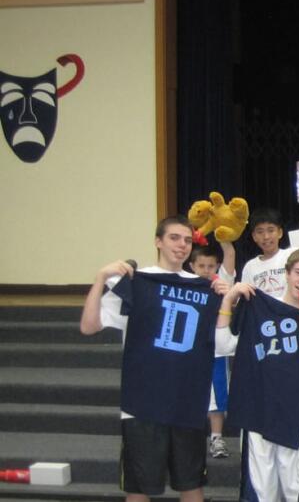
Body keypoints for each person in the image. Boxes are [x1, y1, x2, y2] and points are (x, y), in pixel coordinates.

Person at [79, 215, 231, 502]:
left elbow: (222, 344)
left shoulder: (206, 287)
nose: (182, 245)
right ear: (158, 242)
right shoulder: (137, 283)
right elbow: (88, 326)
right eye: (174, 238)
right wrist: (100, 278)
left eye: (187, 240)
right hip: (143, 402)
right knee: (138, 490)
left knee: (191, 486)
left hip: (186, 401)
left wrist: (223, 303)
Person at [218, 248, 299, 502]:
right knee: (259, 494)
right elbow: (223, 346)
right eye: (298, 272)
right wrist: (229, 299)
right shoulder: (258, 306)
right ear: (287, 274)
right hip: (258, 412)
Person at [185, 242, 237, 459]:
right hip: (188, 352)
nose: (206, 270)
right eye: (201, 266)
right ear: (191, 266)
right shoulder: (184, 286)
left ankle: (216, 437)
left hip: (215, 351)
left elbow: (230, 254)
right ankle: (189, 437)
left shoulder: (222, 284)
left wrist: (224, 235)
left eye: (211, 266)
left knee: (217, 399)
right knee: (189, 394)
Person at [241, 208, 290, 298]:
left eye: (271, 230)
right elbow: (247, 297)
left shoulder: (291, 255)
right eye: (260, 232)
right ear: (254, 236)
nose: (266, 237)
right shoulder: (250, 266)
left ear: (280, 233)